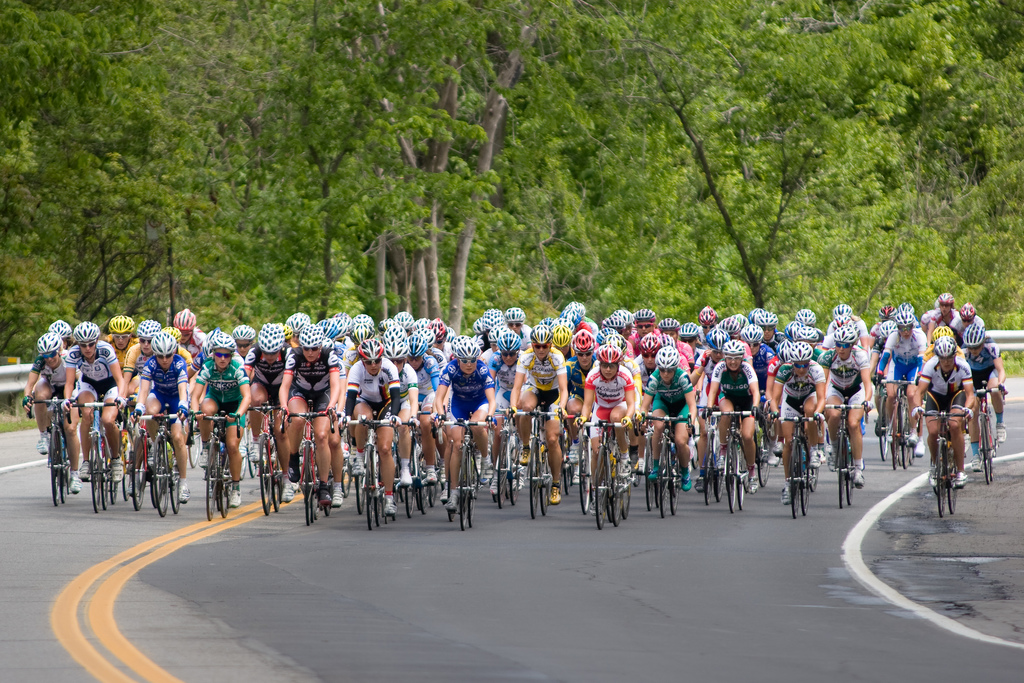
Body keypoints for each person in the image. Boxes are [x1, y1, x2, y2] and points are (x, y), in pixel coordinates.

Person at [280, 325, 343, 510]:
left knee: (322, 436)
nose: (310, 352)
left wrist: (332, 406)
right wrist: (283, 406)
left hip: (323, 393)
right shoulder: (294, 355)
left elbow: (336, 385)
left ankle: (323, 485)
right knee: (297, 419)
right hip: (299, 391)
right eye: (306, 348)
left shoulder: (329, 355)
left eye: (314, 348)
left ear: (320, 346)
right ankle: (293, 457)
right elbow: (285, 386)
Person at [432, 335, 496, 513]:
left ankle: (486, 460)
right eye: (465, 360)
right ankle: (453, 492)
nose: (469, 364)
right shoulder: (450, 369)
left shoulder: (482, 370)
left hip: (479, 403)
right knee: (456, 444)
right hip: (458, 404)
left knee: (476, 425)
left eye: (473, 360)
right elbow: (439, 398)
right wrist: (440, 414)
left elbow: (492, 400)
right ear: (458, 359)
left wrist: (490, 416)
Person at [509, 324, 569, 505]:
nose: (541, 349)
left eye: (545, 346)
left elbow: (564, 389)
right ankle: (526, 446)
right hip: (535, 389)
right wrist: (513, 407)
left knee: (552, 439)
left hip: (554, 394)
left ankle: (556, 484)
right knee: (525, 407)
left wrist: (562, 407)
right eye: (537, 346)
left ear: (550, 345)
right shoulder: (526, 356)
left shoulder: (557, 357)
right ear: (532, 345)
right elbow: (517, 387)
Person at [191, 330, 251, 508]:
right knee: (205, 410)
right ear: (213, 354)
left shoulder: (237, 367)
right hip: (215, 400)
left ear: (231, 355)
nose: (223, 358)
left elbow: (247, 396)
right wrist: (195, 412)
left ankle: (235, 488)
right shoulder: (208, 366)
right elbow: (196, 396)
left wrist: (238, 414)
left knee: (232, 446)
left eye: (226, 355)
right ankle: (206, 447)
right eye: (219, 354)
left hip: (235, 404)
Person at [344, 338, 402, 516]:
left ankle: (390, 498)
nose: (373, 365)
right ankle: (360, 456)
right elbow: (351, 396)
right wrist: (347, 417)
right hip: (364, 401)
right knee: (363, 418)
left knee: (384, 449)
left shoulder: (389, 367)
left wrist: (394, 415)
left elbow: (396, 396)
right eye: (368, 362)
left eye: (377, 360)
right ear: (362, 360)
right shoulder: (357, 369)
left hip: (386, 404)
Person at [63, 322, 126, 484]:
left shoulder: (106, 350)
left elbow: (120, 379)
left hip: (109, 384)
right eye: (83, 345)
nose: (87, 348)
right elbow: (69, 383)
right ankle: (86, 462)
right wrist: (67, 399)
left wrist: (121, 397)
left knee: (108, 420)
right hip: (88, 384)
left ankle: (116, 460)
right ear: (78, 344)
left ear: (97, 341)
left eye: (91, 344)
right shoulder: (73, 353)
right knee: (87, 414)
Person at [133, 332, 192, 503]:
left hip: (176, 397)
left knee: (178, 438)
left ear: (174, 352)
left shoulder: (179, 363)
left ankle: (183, 483)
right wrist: (138, 407)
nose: (164, 359)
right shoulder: (150, 364)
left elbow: (182, 389)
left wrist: (183, 405)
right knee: (149, 411)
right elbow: (144, 390)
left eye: (168, 355)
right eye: (160, 356)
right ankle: (155, 444)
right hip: (159, 394)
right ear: (155, 354)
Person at [769, 341, 826, 505]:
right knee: (788, 443)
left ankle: (813, 450)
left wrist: (818, 412)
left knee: (810, 411)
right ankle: (788, 483)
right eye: (798, 365)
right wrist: (774, 411)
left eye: (805, 365)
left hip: (809, 397)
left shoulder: (816, 369)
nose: (801, 369)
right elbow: (775, 398)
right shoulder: (784, 370)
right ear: (792, 363)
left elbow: (822, 397)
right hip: (791, 400)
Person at [243, 323, 295, 502]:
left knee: (281, 432)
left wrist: (284, 406)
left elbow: (290, 382)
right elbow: (244, 376)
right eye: (266, 352)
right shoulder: (255, 351)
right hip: (262, 385)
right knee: (255, 399)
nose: (270, 356)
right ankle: (256, 440)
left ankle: (287, 479)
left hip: (283, 388)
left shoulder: (288, 353)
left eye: (273, 353)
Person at [576, 344, 636, 496]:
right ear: (599, 365)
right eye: (604, 366)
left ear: (618, 365)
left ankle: (624, 455)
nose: (608, 369)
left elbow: (631, 404)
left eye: (612, 366)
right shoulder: (593, 375)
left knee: (616, 418)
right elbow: (587, 404)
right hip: (601, 408)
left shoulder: (625, 375)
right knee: (596, 451)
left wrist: (628, 418)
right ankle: (595, 488)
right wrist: (583, 417)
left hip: (619, 405)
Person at [24, 333, 81, 493]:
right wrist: (27, 397)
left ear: (59, 350)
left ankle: (75, 475)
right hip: (51, 386)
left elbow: (80, 381)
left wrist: (74, 400)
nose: (49, 359)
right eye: (45, 355)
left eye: (52, 354)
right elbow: (30, 384)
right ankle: (44, 435)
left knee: (70, 429)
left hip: (71, 388)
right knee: (39, 396)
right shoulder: (40, 361)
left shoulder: (68, 358)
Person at [916, 336, 975, 489]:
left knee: (954, 425)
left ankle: (960, 471)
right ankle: (935, 465)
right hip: (935, 397)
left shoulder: (963, 366)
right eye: (942, 358)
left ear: (955, 355)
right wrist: (917, 407)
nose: (946, 362)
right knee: (933, 431)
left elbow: (970, 394)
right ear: (938, 357)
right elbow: (919, 392)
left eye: (949, 358)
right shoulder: (930, 365)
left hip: (955, 396)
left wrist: (967, 408)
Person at [819, 324, 873, 488]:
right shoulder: (828, 357)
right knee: (833, 414)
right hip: (836, 389)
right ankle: (834, 447)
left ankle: (858, 468)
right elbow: (823, 383)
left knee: (853, 424)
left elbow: (867, 383)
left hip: (856, 390)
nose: (841, 349)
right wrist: (823, 402)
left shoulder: (860, 355)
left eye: (845, 345)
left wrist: (867, 400)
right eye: (838, 344)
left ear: (852, 345)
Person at [639, 345, 697, 491]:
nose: (665, 373)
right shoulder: (654, 378)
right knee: (658, 426)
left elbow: (692, 405)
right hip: (662, 403)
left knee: (680, 441)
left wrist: (690, 421)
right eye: (662, 369)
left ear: (675, 368)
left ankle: (685, 472)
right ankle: (655, 466)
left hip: (681, 405)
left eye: (670, 370)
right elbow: (644, 406)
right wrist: (643, 419)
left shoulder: (682, 377)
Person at [706, 340, 760, 493]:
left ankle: (752, 473)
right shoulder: (720, 367)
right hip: (728, 398)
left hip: (747, 400)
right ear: (725, 357)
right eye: (730, 357)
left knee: (747, 436)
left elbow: (755, 391)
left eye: (737, 358)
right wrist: (709, 407)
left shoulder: (747, 368)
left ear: (742, 358)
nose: (733, 361)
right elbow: (713, 391)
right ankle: (723, 450)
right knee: (726, 414)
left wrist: (755, 407)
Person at [877, 309, 927, 459]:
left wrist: (920, 374)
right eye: (902, 328)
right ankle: (890, 425)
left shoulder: (919, 336)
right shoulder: (893, 336)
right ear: (897, 327)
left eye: (908, 327)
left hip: (913, 367)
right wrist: (879, 372)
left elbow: (921, 360)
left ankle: (913, 432)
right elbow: (885, 356)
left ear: (913, 326)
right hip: (897, 366)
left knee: (912, 395)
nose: (905, 331)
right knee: (891, 395)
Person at [962, 324, 1007, 470]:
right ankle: (975, 455)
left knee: (994, 390)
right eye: (971, 347)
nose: (974, 350)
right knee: (973, 411)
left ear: (983, 342)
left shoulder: (991, 346)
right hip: (972, 375)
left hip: (989, 372)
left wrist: (1001, 384)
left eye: (976, 347)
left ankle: (1000, 423)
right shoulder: (963, 350)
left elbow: (1001, 370)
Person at [407, 334, 441, 484]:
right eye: (411, 358)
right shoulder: (403, 364)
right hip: (410, 395)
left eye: (417, 358)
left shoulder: (430, 362)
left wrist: (436, 410)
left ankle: (430, 468)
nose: (414, 362)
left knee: (426, 422)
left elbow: (437, 390)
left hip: (428, 394)